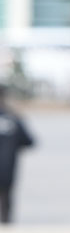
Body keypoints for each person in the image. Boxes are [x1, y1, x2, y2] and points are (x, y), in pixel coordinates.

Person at [0, 84, 35, 225]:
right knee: (6, 204)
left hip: (8, 168)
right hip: (8, 168)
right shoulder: (14, 118)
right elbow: (29, 142)